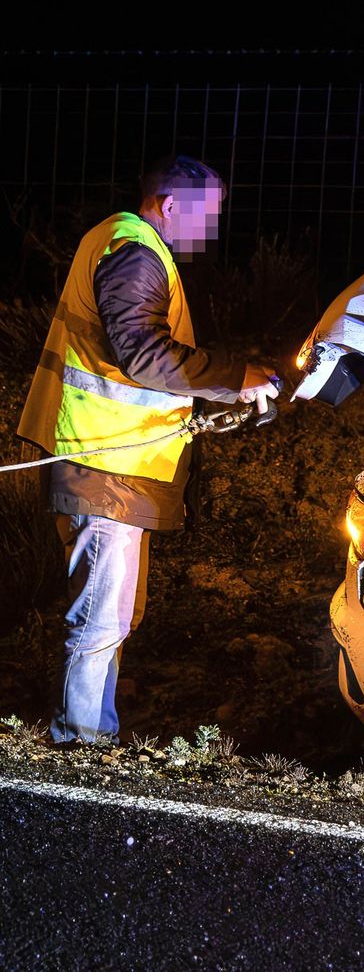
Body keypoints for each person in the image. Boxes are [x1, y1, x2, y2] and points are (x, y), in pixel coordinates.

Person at [17, 156, 279, 746]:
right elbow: (141, 354)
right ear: (168, 204)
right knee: (101, 618)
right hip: (104, 459)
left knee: (113, 616)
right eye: (205, 216)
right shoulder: (135, 251)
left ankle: (90, 742)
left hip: (114, 460)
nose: (210, 231)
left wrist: (222, 392)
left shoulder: (126, 244)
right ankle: (80, 749)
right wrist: (236, 378)